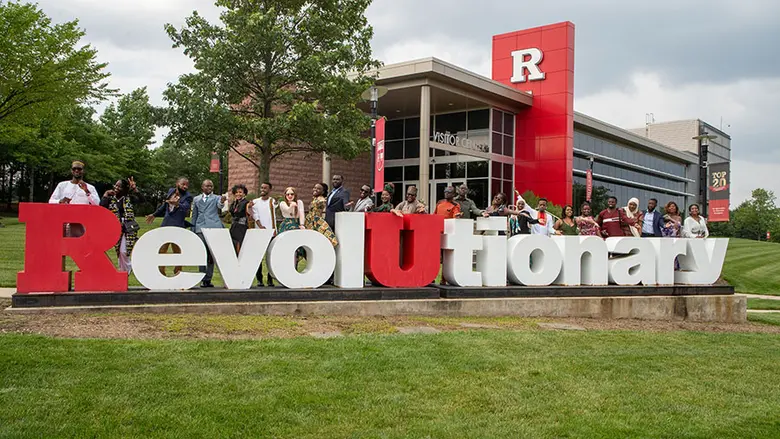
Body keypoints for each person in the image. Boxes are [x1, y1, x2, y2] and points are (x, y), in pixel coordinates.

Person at [145, 177, 193, 275]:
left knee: (177, 249)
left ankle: (178, 271)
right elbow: (165, 206)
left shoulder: (188, 196)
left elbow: (186, 207)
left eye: (187, 185)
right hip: (166, 224)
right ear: (177, 183)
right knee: (162, 249)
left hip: (178, 226)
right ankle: (161, 271)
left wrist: (177, 204)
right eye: (183, 184)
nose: (185, 186)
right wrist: (154, 214)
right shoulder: (171, 191)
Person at [100, 177, 143, 273]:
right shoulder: (110, 199)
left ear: (124, 189)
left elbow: (142, 200)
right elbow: (102, 208)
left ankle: (127, 270)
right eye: (115, 185)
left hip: (129, 227)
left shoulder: (129, 198)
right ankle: (123, 273)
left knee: (124, 251)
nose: (116, 188)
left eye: (119, 186)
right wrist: (105, 195)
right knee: (119, 252)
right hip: (116, 227)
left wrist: (135, 189)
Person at [49, 160, 101, 237]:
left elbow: (97, 204)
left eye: (79, 169)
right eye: (74, 169)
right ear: (71, 171)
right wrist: (60, 201)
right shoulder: (62, 185)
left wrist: (86, 191)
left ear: (83, 171)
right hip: (66, 221)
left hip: (83, 222)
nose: (77, 170)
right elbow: (51, 201)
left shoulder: (90, 187)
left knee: (82, 246)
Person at [191, 180, 226, 288]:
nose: (209, 187)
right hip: (200, 227)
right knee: (202, 253)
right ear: (202, 187)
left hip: (213, 227)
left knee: (211, 255)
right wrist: (193, 229)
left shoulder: (216, 198)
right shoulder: (196, 199)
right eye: (207, 186)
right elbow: (194, 215)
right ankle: (202, 278)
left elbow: (220, 206)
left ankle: (208, 279)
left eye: (211, 186)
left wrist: (222, 201)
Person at [248, 182, 278, 287]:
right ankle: (259, 279)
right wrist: (260, 226)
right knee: (258, 257)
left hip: (272, 233)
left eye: (265, 188)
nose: (263, 189)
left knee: (271, 257)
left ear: (270, 190)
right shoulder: (255, 202)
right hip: (259, 233)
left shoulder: (272, 201)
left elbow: (277, 205)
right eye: (261, 187)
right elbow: (254, 215)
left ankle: (270, 279)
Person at [306, 182, 339, 249]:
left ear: (323, 191)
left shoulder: (321, 199)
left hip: (317, 221)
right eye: (315, 188)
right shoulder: (315, 199)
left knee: (327, 238)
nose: (315, 189)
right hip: (309, 221)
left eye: (318, 189)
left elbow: (322, 201)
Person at [228, 184, 250, 254]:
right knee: (232, 243)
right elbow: (231, 211)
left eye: (240, 192)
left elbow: (239, 212)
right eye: (236, 192)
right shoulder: (235, 202)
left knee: (240, 244)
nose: (238, 194)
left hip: (242, 227)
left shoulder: (246, 202)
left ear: (244, 194)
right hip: (234, 226)